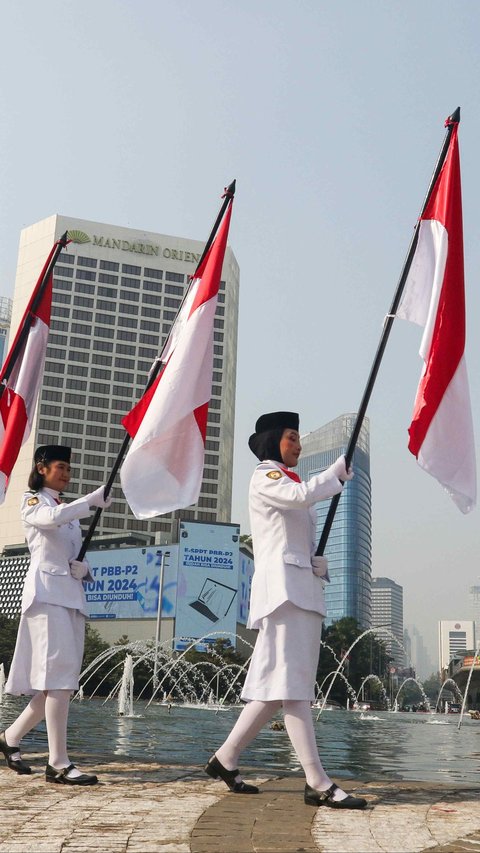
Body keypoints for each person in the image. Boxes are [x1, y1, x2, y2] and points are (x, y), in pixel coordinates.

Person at [205, 412, 367, 810]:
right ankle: (317, 781)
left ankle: (225, 759)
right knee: (293, 690)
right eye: (292, 438)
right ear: (273, 441)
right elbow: (299, 499)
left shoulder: (293, 481)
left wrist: (316, 561)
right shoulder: (267, 476)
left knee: (276, 688)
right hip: (283, 594)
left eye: (298, 438)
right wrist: (335, 473)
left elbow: (291, 536)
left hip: (300, 590)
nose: (298, 445)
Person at [0, 445, 111, 786]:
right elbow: (47, 523)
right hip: (47, 596)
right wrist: (89, 501)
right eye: (60, 467)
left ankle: (9, 738)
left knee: (58, 682)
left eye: (68, 468)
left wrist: (84, 569)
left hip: (70, 596)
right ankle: (58, 762)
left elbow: (71, 552)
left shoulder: (65, 508)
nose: (65, 473)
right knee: (58, 681)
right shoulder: (34, 501)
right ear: (42, 468)